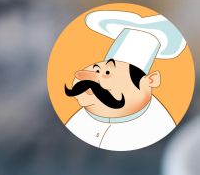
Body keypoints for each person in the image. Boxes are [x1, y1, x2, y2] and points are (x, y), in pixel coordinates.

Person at [64, 9, 188, 152]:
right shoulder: (78, 117)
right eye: (96, 70)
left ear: (150, 81)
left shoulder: (158, 125)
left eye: (108, 73)